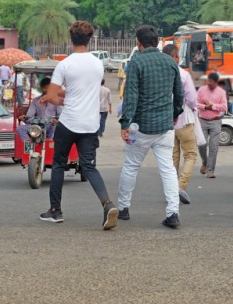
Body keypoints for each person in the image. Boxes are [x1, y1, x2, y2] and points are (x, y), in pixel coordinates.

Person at [39, 21, 119, 230]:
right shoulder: (97, 64)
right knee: (89, 166)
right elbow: (82, 90)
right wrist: (65, 96)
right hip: (90, 124)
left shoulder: (64, 64)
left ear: (70, 39)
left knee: (58, 164)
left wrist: (52, 99)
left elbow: (55, 95)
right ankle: (107, 204)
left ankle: (55, 211)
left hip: (69, 123)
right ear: (90, 39)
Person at [117, 25, 184, 228]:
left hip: (141, 127)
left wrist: (125, 123)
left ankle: (123, 208)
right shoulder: (170, 62)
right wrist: (174, 114)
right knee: (168, 170)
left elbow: (131, 96)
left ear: (138, 43)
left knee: (131, 166)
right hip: (165, 127)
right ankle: (173, 212)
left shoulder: (136, 62)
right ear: (157, 42)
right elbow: (179, 94)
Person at [163, 44, 198, 204]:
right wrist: (194, 107)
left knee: (173, 157)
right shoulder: (183, 75)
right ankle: (180, 186)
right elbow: (191, 98)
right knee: (190, 154)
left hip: (167, 122)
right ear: (176, 56)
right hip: (183, 120)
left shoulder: (161, 74)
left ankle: (170, 189)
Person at [197, 72, 227, 178]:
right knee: (201, 144)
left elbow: (224, 107)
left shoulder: (221, 92)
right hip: (202, 120)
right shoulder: (201, 90)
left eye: (211, 82)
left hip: (215, 121)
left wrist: (212, 106)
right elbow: (195, 104)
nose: (209, 83)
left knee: (213, 147)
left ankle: (210, 170)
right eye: (208, 81)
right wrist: (205, 107)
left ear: (216, 82)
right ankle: (205, 162)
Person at [16, 77, 59, 142]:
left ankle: (50, 146)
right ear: (41, 88)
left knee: (56, 127)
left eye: (49, 88)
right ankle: (30, 146)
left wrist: (56, 120)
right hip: (37, 126)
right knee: (20, 129)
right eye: (45, 88)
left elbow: (61, 115)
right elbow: (29, 116)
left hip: (51, 125)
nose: (47, 90)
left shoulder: (56, 100)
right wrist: (26, 118)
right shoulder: (36, 101)